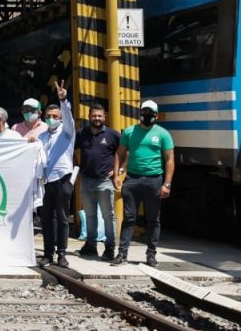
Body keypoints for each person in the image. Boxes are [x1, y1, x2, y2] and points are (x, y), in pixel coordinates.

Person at [113, 100, 175, 267]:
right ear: (140, 113)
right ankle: (122, 253)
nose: (147, 115)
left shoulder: (163, 134)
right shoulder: (130, 132)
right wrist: (117, 174)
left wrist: (167, 184)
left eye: (150, 112)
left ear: (156, 114)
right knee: (129, 218)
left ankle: (151, 254)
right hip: (132, 179)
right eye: (144, 112)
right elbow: (120, 153)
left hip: (154, 180)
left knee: (153, 219)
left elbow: (169, 160)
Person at [33, 81, 75, 268]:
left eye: (55, 116)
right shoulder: (42, 136)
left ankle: (62, 254)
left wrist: (63, 100)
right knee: (47, 219)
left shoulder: (67, 132)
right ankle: (48, 253)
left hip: (63, 178)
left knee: (63, 217)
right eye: (49, 116)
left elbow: (67, 115)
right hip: (47, 181)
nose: (52, 119)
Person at [75, 104, 120, 261]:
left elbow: (122, 153)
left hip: (104, 181)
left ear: (104, 117)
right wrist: (77, 165)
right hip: (86, 181)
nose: (97, 118)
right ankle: (91, 246)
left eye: (99, 116)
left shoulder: (112, 134)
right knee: (90, 215)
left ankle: (110, 248)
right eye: (94, 116)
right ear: (89, 116)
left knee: (109, 216)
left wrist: (118, 170)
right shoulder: (81, 134)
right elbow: (73, 150)